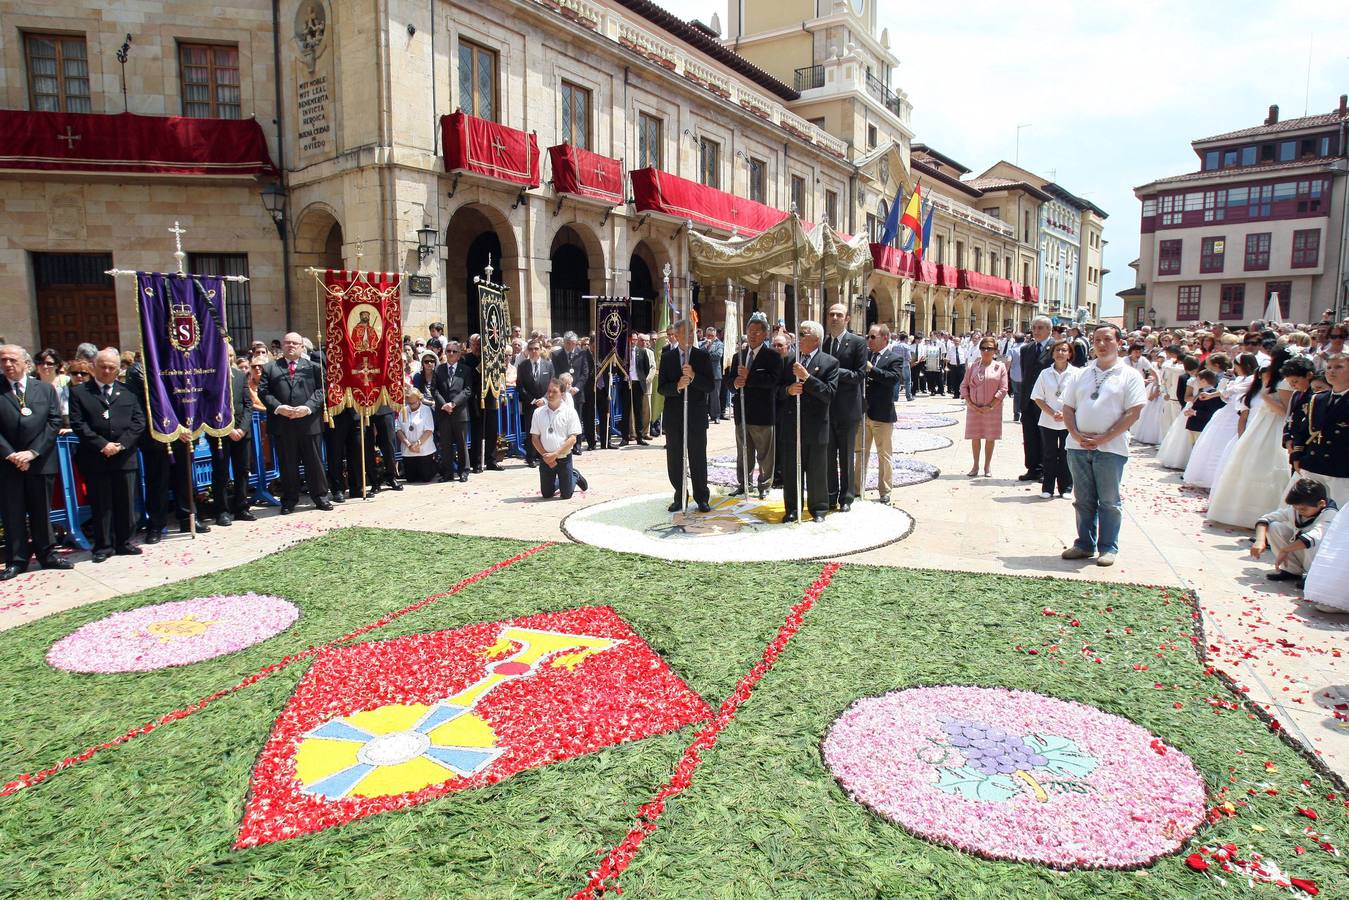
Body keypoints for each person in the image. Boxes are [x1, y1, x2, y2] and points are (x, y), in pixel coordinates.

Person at [1060, 325, 1148, 567]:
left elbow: (1133, 412)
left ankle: (1108, 547)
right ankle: (1084, 544)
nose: (1101, 344)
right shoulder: (1081, 374)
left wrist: (1104, 437)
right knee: (1083, 498)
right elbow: (1068, 407)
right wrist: (1076, 434)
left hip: (1111, 448)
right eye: (1097, 340)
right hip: (1078, 446)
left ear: (1119, 342)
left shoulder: (1129, 375)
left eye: (1107, 339)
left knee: (1109, 500)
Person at [68, 348, 147, 560]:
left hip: (124, 456)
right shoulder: (80, 392)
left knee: (125, 502)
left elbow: (138, 422)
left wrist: (121, 445)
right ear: (94, 367)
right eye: (102, 366)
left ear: (118, 369)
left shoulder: (128, 391)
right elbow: (78, 423)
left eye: (111, 367)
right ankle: (103, 546)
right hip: (96, 457)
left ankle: (125, 542)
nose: (106, 371)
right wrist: (102, 445)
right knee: (101, 503)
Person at [1, 345, 70, 578]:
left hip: (40, 461)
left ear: (26, 363)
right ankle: (17, 560)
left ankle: (47, 554)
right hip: (8, 463)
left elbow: (53, 422)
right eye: (3, 361)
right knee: (13, 513)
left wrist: (32, 452)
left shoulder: (44, 389)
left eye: (12, 360)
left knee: (42, 510)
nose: (7, 364)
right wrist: (10, 454)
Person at [1206, 350, 1294, 527]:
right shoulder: (1273, 380)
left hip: (1274, 426)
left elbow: (1286, 411)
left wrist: (1266, 399)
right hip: (1261, 424)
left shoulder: (1284, 384)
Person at [258, 332, 332, 514]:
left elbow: (322, 391)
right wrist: (279, 407)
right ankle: (289, 500)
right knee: (288, 464)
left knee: (314, 463)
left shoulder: (313, 367)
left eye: (294, 343)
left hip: (308, 423)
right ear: (282, 346)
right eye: (287, 343)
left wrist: (307, 408)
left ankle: (320, 497)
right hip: (284, 424)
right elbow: (264, 392)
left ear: (301, 347)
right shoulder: (270, 368)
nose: (290, 346)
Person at [779, 320, 838, 523]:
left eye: (803, 334)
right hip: (791, 426)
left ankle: (819, 509)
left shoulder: (830, 362)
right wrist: (788, 390)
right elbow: (775, 391)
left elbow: (829, 394)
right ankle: (793, 509)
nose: (799, 337)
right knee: (791, 471)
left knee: (816, 471)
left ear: (816, 339)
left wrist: (807, 379)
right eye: (799, 333)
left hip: (815, 426)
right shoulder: (788, 361)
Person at [658, 319, 714, 512]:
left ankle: (702, 497)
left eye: (692, 332)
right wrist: (677, 386)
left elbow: (710, 386)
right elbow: (661, 388)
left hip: (696, 417)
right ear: (677, 335)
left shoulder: (702, 356)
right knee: (675, 459)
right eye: (685, 333)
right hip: (674, 417)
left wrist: (694, 377)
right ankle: (680, 496)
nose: (689, 336)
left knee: (698, 457)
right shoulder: (667, 357)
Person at [1184, 353, 1256, 489]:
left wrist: (1221, 389)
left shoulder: (1251, 379)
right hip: (1226, 411)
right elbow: (1225, 394)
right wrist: (1219, 388)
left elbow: (1231, 391)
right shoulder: (1239, 378)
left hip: (1237, 414)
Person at [730, 315, 781, 499]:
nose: (752, 335)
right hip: (742, 413)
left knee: (765, 454)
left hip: (763, 414)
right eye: (750, 332)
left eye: (756, 332)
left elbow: (773, 381)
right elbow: (729, 383)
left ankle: (765, 485)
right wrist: (735, 383)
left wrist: (749, 377)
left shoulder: (772, 356)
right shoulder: (739, 356)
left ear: (765, 334)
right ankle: (744, 483)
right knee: (743, 452)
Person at [1251, 478, 1337, 588]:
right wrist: (1259, 541)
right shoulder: (1296, 509)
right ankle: (1291, 570)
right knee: (1274, 527)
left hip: (1320, 557)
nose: (1298, 511)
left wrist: (1285, 549)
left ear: (1321, 504)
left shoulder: (1330, 514)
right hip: (1302, 550)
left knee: (1313, 540)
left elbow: (1313, 537)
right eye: (1295, 508)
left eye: (1303, 509)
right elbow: (1265, 519)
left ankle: (1311, 575)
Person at [822, 304, 867, 512]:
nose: (834, 318)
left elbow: (859, 375)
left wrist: (834, 371)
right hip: (827, 409)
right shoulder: (823, 342)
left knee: (846, 455)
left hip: (848, 409)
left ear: (847, 318)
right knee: (828, 455)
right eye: (831, 314)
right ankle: (830, 494)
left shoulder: (857, 342)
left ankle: (846, 498)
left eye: (839, 315)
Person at [1289, 353, 1349, 506]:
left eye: (1339, 367)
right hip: (1313, 464)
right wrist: (1297, 456)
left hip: (1341, 469)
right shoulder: (1318, 398)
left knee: (1336, 515)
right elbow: (1303, 431)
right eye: (1328, 367)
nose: (1331, 371)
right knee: (1304, 511)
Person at [854, 324, 901, 503]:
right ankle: (857, 489)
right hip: (863, 412)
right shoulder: (865, 355)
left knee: (884, 454)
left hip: (882, 414)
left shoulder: (894, 358)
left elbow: (893, 379)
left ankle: (885, 491)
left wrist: (871, 370)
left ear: (885, 338)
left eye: (873, 337)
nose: (869, 340)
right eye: (868, 336)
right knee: (860, 453)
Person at [209, 346, 256, 526]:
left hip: (242, 433)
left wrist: (242, 429)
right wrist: (227, 429)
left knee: (242, 470)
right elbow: (208, 406)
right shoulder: (210, 376)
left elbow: (248, 404)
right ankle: (222, 511)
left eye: (230, 355)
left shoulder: (239, 376)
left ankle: (242, 507)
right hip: (220, 433)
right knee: (220, 472)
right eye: (224, 355)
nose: (227, 358)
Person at [1030, 339, 1080, 498]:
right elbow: (1038, 397)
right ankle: (1047, 488)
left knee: (1067, 454)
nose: (1060, 353)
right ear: (1052, 353)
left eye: (1064, 350)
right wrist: (1052, 413)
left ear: (1070, 354)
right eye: (1057, 350)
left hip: (1069, 421)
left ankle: (1066, 487)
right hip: (1048, 421)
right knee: (1049, 454)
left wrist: (1065, 414)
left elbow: (1080, 398)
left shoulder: (1077, 374)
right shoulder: (1045, 374)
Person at [960, 337, 1009, 477]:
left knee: (990, 437)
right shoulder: (972, 366)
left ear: (995, 350)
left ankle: (987, 466)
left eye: (990, 348)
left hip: (993, 409)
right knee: (975, 437)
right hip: (974, 408)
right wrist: (970, 403)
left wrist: (991, 406)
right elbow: (964, 385)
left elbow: (1004, 388)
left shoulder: (1000, 367)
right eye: (983, 348)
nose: (986, 351)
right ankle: (975, 465)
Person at [530, 378, 587, 499]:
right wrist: (546, 456)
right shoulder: (538, 412)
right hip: (546, 459)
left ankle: (574, 475)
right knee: (546, 494)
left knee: (566, 495)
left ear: (562, 394)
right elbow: (534, 438)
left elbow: (573, 438)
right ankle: (560, 481)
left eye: (554, 392)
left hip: (563, 458)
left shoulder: (569, 412)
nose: (550, 394)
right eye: (549, 391)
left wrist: (555, 454)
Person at [1018, 317, 1054, 482]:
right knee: (1030, 436)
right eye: (1034, 328)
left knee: (1046, 437)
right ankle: (1033, 468)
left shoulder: (1056, 347)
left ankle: (1047, 470)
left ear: (1049, 330)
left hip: (1047, 400)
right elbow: (1026, 374)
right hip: (1028, 399)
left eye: (1040, 328)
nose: (1036, 331)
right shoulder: (1026, 349)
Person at [432, 341, 472, 482]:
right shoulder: (438, 369)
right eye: (448, 351)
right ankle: (447, 473)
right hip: (444, 413)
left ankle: (464, 471)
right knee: (446, 445)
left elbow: (467, 390)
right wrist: (444, 405)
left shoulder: (465, 370)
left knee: (462, 444)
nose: (451, 354)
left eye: (454, 351)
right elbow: (434, 390)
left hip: (459, 412)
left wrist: (453, 404)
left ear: (459, 354)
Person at [550, 332, 592, 455]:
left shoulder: (582, 353)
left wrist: (576, 388)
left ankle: (577, 445)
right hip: (562, 393)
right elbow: (555, 373)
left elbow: (585, 373)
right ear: (564, 342)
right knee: (562, 419)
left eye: (573, 343)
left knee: (576, 418)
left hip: (577, 393)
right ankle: (563, 445)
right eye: (568, 343)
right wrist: (563, 388)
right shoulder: (557, 354)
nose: (570, 345)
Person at [397, 388, 438, 483]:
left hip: (424, 449)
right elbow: (398, 429)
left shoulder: (426, 410)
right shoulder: (403, 410)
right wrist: (408, 444)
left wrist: (418, 444)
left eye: (414, 403)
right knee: (410, 479)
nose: (411, 405)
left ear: (419, 400)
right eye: (409, 403)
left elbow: (429, 430)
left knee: (425, 478)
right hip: (408, 449)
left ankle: (436, 465)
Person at [620, 331, 651, 445]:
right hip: (626, 384)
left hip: (638, 384)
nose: (633, 341)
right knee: (625, 411)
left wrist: (642, 378)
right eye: (631, 339)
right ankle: (625, 437)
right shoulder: (623, 352)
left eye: (634, 339)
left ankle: (640, 436)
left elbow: (646, 368)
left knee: (638, 411)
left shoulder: (642, 352)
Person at [702, 326, 725, 423]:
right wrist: (706, 347)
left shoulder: (719, 344)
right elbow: (699, 354)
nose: (710, 337)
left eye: (712, 335)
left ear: (715, 335)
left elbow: (718, 355)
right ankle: (703, 415)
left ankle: (716, 416)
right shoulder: (702, 344)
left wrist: (706, 354)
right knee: (704, 397)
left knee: (715, 396)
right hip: (704, 374)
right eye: (708, 335)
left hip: (715, 374)